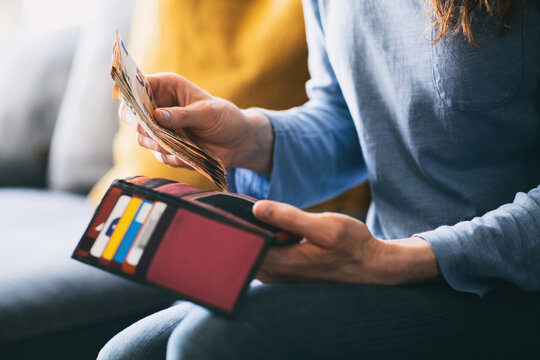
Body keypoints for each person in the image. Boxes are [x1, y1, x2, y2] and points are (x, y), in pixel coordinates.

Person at [98, 0, 540, 359]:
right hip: (387, 259)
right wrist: (248, 139)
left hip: (505, 284)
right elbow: (347, 119)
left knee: (209, 345)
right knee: (129, 354)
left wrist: (396, 260)